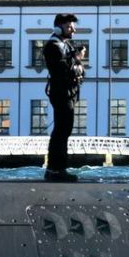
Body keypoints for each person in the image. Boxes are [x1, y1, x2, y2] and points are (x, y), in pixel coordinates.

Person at [41, 13, 85, 182]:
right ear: (58, 27)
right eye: (69, 26)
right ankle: (55, 169)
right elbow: (63, 71)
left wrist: (76, 60)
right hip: (61, 93)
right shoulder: (54, 45)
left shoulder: (63, 44)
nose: (73, 30)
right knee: (61, 132)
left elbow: (75, 71)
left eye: (73, 26)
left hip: (66, 92)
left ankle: (57, 169)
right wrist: (78, 59)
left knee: (63, 131)